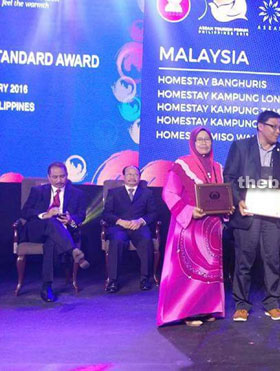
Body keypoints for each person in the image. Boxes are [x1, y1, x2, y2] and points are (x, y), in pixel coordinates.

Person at [157, 128, 232, 327]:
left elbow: (219, 195)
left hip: (212, 228)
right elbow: (170, 194)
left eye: (207, 139)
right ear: (192, 142)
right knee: (191, 271)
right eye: (200, 140)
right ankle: (189, 311)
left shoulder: (217, 167)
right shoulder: (182, 165)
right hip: (190, 226)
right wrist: (190, 211)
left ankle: (207, 308)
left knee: (209, 271)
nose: (204, 143)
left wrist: (227, 208)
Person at [224, 110, 280, 322]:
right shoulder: (241, 146)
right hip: (248, 213)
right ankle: (241, 304)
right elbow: (230, 177)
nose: (278, 131)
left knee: (272, 259)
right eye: (274, 126)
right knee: (244, 260)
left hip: (271, 215)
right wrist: (238, 201)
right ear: (260, 126)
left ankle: (272, 302)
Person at [21, 162, 88, 302]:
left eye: (62, 176)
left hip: (60, 233)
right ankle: (73, 250)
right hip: (36, 230)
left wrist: (70, 220)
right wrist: (45, 214)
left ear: (67, 176)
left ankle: (47, 286)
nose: (59, 180)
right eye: (55, 177)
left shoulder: (78, 194)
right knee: (52, 221)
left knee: (51, 242)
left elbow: (81, 215)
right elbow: (25, 212)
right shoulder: (37, 191)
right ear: (48, 177)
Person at [102, 165, 159, 293]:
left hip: (138, 227)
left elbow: (153, 213)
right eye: (129, 174)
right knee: (116, 242)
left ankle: (145, 279)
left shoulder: (147, 193)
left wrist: (140, 221)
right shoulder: (114, 193)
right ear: (124, 177)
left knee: (146, 240)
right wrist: (120, 221)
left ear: (139, 177)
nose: (132, 177)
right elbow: (106, 214)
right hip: (119, 227)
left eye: (136, 175)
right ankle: (113, 281)